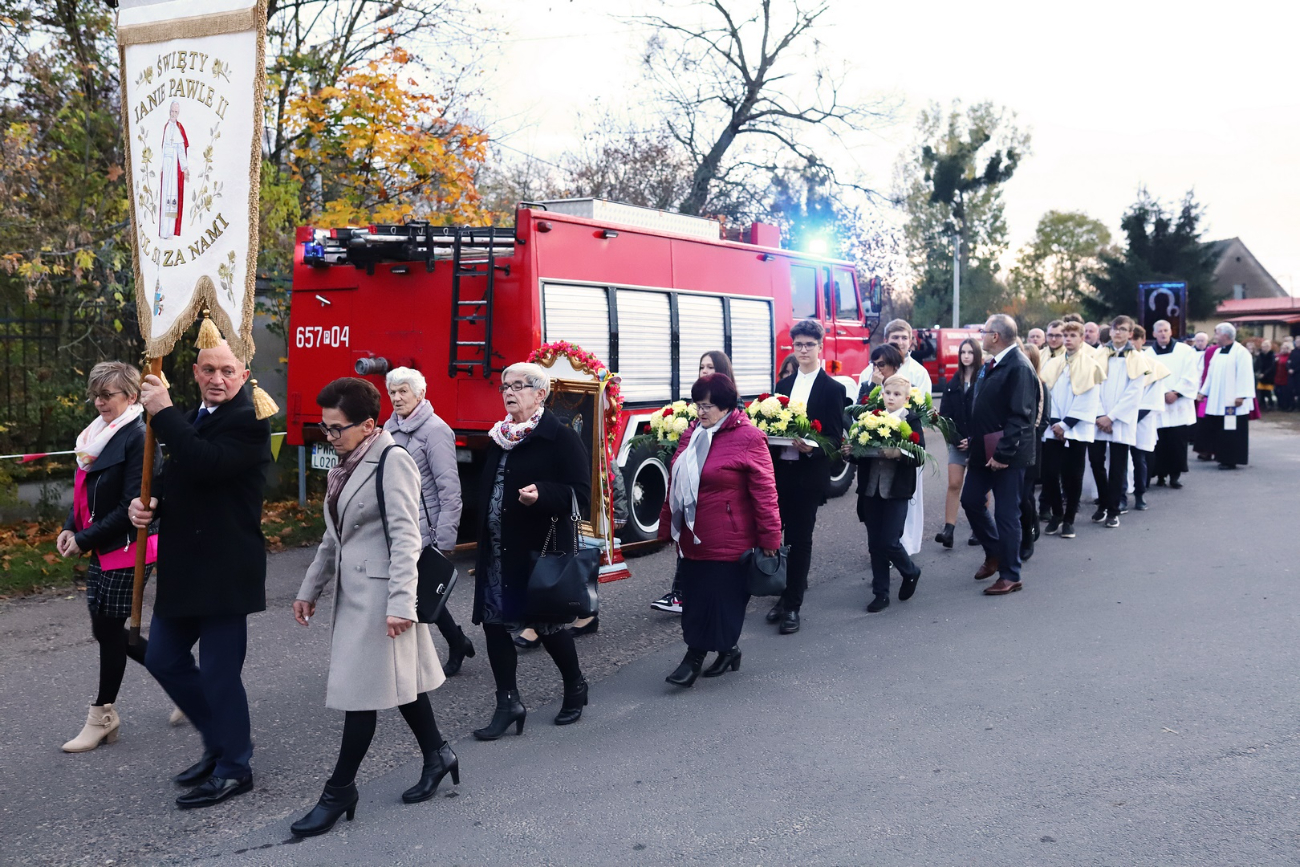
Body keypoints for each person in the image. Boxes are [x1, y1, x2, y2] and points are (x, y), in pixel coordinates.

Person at [290, 378, 451, 837]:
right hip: (356, 593)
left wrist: (402, 604)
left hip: (383, 598)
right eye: (324, 428)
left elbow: (407, 536)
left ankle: (339, 792)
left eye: (336, 429)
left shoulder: (392, 461)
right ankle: (439, 753)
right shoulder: (344, 464)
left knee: (360, 695)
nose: (329, 437)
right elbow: (334, 536)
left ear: (367, 425)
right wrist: (309, 589)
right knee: (400, 684)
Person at [128, 341, 271, 809]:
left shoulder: (250, 421)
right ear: (194, 371)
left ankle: (235, 767)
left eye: (227, 370)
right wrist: (148, 507)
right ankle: (219, 741)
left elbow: (208, 465)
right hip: (185, 569)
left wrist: (163, 412)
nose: (217, 378)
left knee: (219, 674)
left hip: (227, 570)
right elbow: (179, 482)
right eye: (208, 369)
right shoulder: (191, 419)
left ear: (243, 372)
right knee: (164, 658)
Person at [470, 362, 592, 738]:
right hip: (497, 551)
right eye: (506, 385)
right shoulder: (499, 436)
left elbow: (581, 497)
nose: (510, 391)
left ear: (540, 394)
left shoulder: (560, 437)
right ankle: (508, 703)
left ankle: (575, 686)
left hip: (536, 551)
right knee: (494, 625)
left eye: (520, 385)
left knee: (547, 625)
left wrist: (542, 494)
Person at [59, 362, 160, 752]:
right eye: (96, 395)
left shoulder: (139, 436)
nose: (99, 402)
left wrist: (84, 539)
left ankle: (102, 716)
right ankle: (186, 679)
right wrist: (71, 527)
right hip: (99, 543)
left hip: (128, 548)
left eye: (107, 395)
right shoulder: (96, 435)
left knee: (109, 632)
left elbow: (129, 505)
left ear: (131, 397)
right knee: (108, 631)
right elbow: (85, 491)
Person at [657, 373, 780, 686]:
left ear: (726, 406)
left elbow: (765, 492)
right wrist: (666, 526)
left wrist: (770, 538)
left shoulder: (749, 437)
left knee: (720, 599)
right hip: (693, 536)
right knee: (696, 598)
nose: (701, 413)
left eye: (708, 406)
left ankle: (693, 658)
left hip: (730, 538)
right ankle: (728, 649)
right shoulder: (692, 434)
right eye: (698, 405)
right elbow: (676, 483)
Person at [381, 367, 474, 676]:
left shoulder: (436, 430)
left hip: (425, 526)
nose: (396, 397)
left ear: (420, 394)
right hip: (397, 523)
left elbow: (450, 489)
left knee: (415, 593)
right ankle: (455, 640)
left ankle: (424, 658)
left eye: (403, 391)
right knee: (417, 592)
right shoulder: (387, 430)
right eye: (392, 392)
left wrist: (445, 540)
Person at [763, 320, 846, 635]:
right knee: (776, 536)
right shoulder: (782, 388)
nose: (803, 350)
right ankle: (782, 595)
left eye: (809, 344)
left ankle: (793, 605)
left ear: (820, 346)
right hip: (780, 472)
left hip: (808, 475)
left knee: (800, 540)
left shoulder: (832, 389)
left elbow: (836, 440)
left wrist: (812, 448)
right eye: (798, 345)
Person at [650, 351, 735, 616]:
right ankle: (681, 593)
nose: (705, 371)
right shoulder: (696, 410)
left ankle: (688, 595)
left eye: (710, 367)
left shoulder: (731, 409)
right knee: (687, 538)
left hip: (713, 491)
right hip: (691, 486)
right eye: (701, 367)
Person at [961, 314, 1036, 596]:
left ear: (995, 336)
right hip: (983, 450)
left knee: (1006, 514)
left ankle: (1011, 574)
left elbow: (1020, 417)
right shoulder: (992, 363)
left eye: (983, 331)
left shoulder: (1018, 366)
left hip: (1008, 454)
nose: (980, 335)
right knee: (970, 500)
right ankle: (994, 551)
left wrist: (1003, 453)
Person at [847, 375, 925, 613]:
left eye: (897, 394)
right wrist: (849, 452)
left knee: (890, 541)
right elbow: (860, 451)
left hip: (896, 491)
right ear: (882, 394)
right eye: (887, 393)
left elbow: (919, 454)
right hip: (871, 490)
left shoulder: (911, 420)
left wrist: (899, 453)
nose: (891, 397)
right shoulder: (871, 418)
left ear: (906, 398)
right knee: (874, 544)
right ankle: (880, 593)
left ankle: (910, 571)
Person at [858, 319, 930, 557]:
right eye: (894, 337)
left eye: (903, 337)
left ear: (911, 341)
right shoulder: (871, 370)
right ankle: (885, 549)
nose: (899, 342)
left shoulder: (918, 371)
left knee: (905, 499)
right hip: (875, 454)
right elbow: (860, 408)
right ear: (886, 340)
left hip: (904, 447)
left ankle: (904, 545)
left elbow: (923, 411)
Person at [1039, 322, 1103, 540]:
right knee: (1049, 473)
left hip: (1076, 429)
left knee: (1072, 476)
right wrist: (1055, 421)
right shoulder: (1054, 363)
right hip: (1053, 427)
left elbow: (1088, 399)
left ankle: (1068, 520)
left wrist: (1066, 425)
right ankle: (1056, 513)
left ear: (1081, 338)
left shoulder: (1091, 366)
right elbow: (1048, 395)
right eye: (1064, 335)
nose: (1067, 339)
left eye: (1072, 335)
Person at [1088, 316, 1148, 528]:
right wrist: (1099, 415)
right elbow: (1092, 385)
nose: (1118, 333)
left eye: (1123, 330)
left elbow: (1134, 393)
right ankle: (1103, 504)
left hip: (1121, 420)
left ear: (1131, 333)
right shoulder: (1098, 354)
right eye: (1115, 329)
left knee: (1117, 466)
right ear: (1110, 331)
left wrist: (1111, 416)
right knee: (1096, 462)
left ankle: (1113, 509)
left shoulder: (1138, 358)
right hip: (1098, 418)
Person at [935, 337, 981, 548]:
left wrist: (972, 440)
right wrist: (956, 439)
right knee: (954, 484)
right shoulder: (953, 382)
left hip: (978, 443)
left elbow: (987, 416)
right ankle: (949, 530)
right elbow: (945, 415)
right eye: (963, 352)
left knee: (979, 487)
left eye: (970, 352)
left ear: (977, 354)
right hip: (957, 442)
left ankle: (979, 529)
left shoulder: (985, 379)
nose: (966, 356)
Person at [1146, 320, 1198, 488]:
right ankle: (1160, 475)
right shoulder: (1147, 355)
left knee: (1177, 441)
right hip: (1159, 403)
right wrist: (1162, 394)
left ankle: (1175, 476)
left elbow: (1191, 374)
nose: (1163, 333)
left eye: (1166, 330)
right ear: (1153, 334)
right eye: (1159, 331)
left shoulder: (1185, 351)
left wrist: (1176, 392)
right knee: (1160, 442)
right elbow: (1147, 378)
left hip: (1178, 403)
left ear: (1171, 332)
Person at [1197, 323, 1256, 469]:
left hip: (1232, 400)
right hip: (1218, 399)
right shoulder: (1217, 352)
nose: (1215, 336)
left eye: (1217, 333)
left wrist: (1242, 396)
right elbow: (1210, 375)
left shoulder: (1241, 352)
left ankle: (1230, 459)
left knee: (1231, 429)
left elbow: (1246, 374)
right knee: (1219, 428)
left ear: (1225, 335)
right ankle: (1220, 455)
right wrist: (1203, 392)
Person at [1129, 326, 1168, 511]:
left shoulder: (1154, 367)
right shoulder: (1117, 363)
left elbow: (1153, 398)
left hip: (1141, 420)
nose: (1131, 343)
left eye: (1134, 339)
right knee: (1118, 459)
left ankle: (1140, 494)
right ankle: (1118, 495)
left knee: (1139, 458)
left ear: (1143, 340)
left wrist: (1131, 418)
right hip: (1118, 419)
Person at [1017, 344, 1050, 561]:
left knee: (1025, 495)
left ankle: (1027, 536)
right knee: (1019, 495)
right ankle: (1031, 522)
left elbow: (1043, 420)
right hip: (1014, 447)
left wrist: (1028, 436)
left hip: (1031, 447)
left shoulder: (1041, 386)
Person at [1255, 339, 1277, 411]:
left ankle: (1271, 405)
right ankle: (1262, 405)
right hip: (1261, 376)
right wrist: (1258, 373)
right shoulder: (1260, 355)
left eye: (1266, 346)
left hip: (1269, 377)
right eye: (1263, 346)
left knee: (1268, 392)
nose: (1264, 348)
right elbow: (1257, 365)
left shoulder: (1272, 355)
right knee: (1261, 392)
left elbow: (1272, 366)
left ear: (1269, 347)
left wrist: (1264, 374)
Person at [1276, 340, 1293, 412]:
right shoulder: (1278, 356)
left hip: (1286, 377)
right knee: (1278, 392)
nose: (1283, 349)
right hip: (1278, 376)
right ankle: (1280, 405)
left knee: (1286, 393)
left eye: (1285, 348)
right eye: (1282, 348)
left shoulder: (1290, 356)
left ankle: (1287, 406)